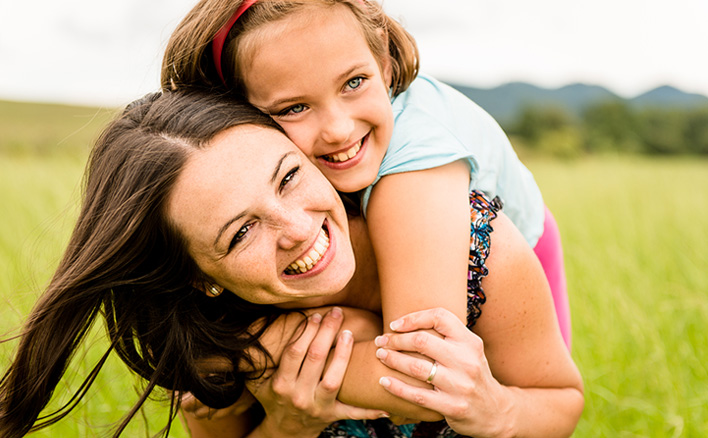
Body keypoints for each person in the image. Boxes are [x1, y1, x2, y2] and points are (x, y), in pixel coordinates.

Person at [0, 90, 583, 438]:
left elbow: (561, 403)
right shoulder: (213, 343)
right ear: (199, 276)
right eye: (243, 231)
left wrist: (496, 408)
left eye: (289, 176)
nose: (299, 228)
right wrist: (285, 425)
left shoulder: (471, 244)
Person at [162, 0, 572, 348]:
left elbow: (423, 355)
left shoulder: (414, 173)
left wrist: (277, 345)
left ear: (386, 65)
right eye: (293, 108)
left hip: (517, 278)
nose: (339, 128)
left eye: (354, 82)